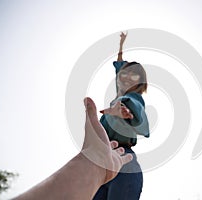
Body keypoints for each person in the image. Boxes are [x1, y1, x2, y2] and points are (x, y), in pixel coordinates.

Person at [14, 98, 133, 200]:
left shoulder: (131, 98)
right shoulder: (110, 111)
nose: (128, 76)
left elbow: (143, 126)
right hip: (107, 153)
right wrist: (94, 163)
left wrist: (130, 113)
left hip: (121, 154)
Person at [92, 31, 150, 200]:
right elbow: (119, 65)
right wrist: (121, 45)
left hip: (123, 159)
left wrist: (124, 111)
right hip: (102, 162)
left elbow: (135, 108)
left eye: (134, 75)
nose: (127, 77)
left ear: (140, 81)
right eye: (125, 73)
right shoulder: (120, 92)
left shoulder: (134, 97)